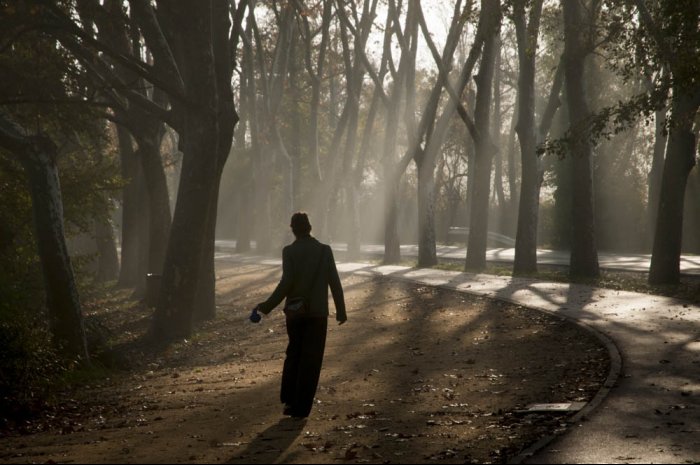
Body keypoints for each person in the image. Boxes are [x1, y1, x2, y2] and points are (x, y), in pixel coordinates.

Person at [250, 212, 347, 418]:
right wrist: (341, 310)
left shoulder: (289, 252)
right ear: (310, 227)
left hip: (295, 314)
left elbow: (286, 283)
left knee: (294, 354)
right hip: (318, 314)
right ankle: (302, 407)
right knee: (311, 360)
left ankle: (289, 400)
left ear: (292, 229)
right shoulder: (324, 251)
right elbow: (335, 282)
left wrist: (266, 306)